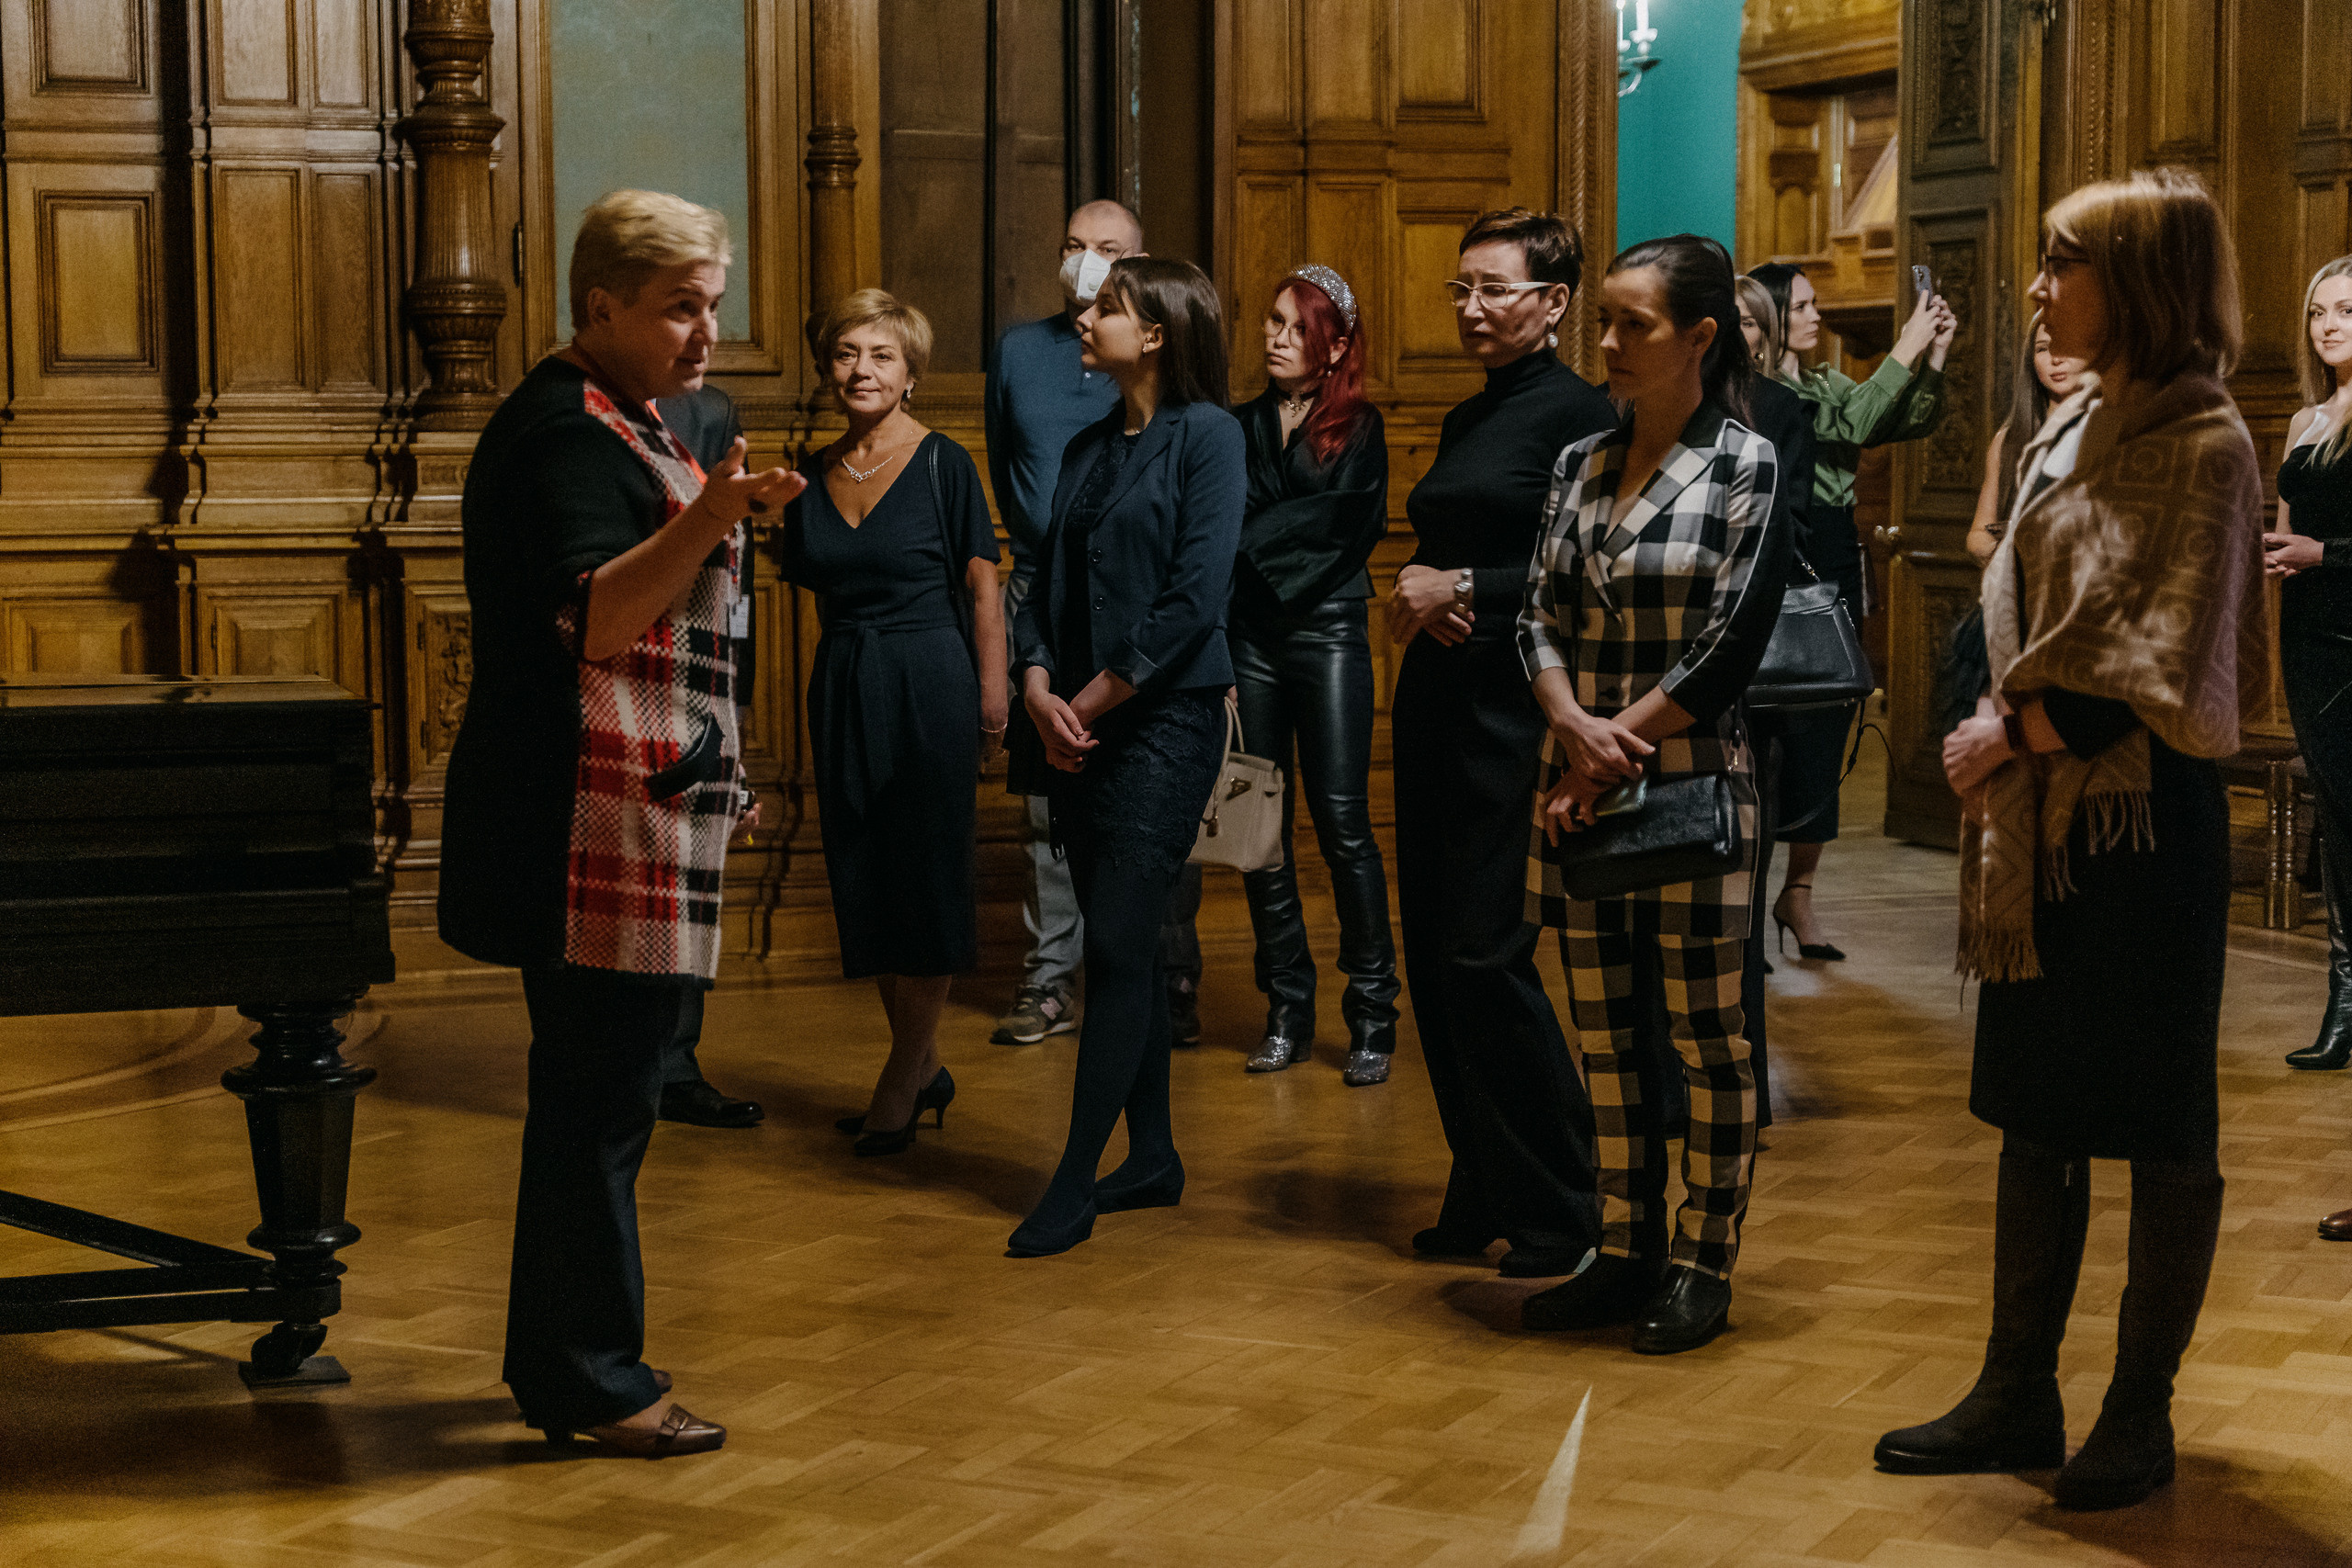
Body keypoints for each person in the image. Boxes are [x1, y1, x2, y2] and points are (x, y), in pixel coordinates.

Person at [1874, 168, 2265, 1511]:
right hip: (2043, 826)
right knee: (2033, 1113)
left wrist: (2013, 733)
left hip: (2141, 826)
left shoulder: (2205, 444)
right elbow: (2036, 603)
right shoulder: (2066, 428)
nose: (2038, 289)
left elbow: (2164, 657)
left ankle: (2137, 1407)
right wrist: (2011, 722)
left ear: (2140, 280)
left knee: (2161, 1124)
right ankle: (2014, 1385)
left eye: (2062, 261)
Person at [438, 189, 801, 1457]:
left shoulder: (624, 409)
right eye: (678, 309)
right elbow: (594, 621)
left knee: (601, 1103)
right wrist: (711, 513)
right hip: (573, 830)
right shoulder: (557, 429)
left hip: (627, 817)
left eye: (711, 304)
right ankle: (593, 1378)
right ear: (601, 305)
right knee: (598, 1108)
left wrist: (713, 778)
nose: (706, 333)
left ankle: (562, 1357)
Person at [1515, 235, 1787, 1352]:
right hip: (1580, 781)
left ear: (1700, 338)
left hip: (1683, 784)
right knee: (1605, 1037)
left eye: (1635, 325)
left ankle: (1699, 1262)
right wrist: (1568, 725)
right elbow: (1535, 611)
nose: (1610, 344)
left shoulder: (1744, 463)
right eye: (1607, 323)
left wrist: (1605, 745)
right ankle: (1622, 1252)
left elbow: (1731, 643)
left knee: (1706, 1037)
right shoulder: (1579, 460)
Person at [1392, 208, 1615, 1280]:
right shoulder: (1470, 415)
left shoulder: (1583, 417)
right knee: (1435, 958)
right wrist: (1422, 589)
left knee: (1485, 954)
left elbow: (1588, 570)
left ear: (1555, 303)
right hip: (1438, 698)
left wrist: (1461, 584)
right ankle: (1480, 1175)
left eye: (1494, 290)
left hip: (1516, 714)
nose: (1472, 309)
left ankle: (1562, 1202)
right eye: (1462, 290)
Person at [1006, 257, 1245, 1258]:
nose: (1086, 315)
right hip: (1076, 719)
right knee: (1131, 943)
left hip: (1163, 722)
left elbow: (1194, 599)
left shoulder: (1211, 436)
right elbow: (1042, 582)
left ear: (1154, 334)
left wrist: (1089, 700)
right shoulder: (1090, 445)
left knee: (1112, 944)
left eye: (1106, 305)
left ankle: (1072, 1178)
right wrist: (1033, 679)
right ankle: (1151, 1156)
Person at [779, 289, 1006, 1155]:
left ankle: (900, 1076)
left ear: (911, 372)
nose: (862, 370)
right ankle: (924, 1064)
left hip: (932, 676)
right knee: (865, 870)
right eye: (846, 353)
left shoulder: (946, 463)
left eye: (880, 355)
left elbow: (983, 588)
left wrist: (992, 699)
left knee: (927, 871)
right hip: (843, 680)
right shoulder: (808, 472)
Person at [1747, 261, 1955, 960]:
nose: (1816, 316)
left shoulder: (1819, 379)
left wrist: (1932, 359)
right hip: (1786, 549)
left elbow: (1904, 418)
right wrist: (1903, 346)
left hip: (1836, 552)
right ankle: (1747, 903)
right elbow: (1859, 419)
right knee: (1766, 730)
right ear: (1772, 317)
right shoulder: (1766, 390)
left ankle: (1798, 893)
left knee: (1828, 723)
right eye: (1802, 305)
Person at [1227, 265, 1400, 1086]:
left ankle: (1372, 1015)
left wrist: (1253, 536)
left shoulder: (1360, 429)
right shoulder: (1237, 424)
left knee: (1341, 825)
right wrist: (1261, 538)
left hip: (1329, 631)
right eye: (1271, 321)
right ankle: (1287, 1011)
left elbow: (1341, 528)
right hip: (1250, 639)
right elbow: (1219, 524)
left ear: (1333, 346)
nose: (1275, 337)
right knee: (1260, 827)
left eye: (1296, 327)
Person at [984, 200, 1141, 1047]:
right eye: (1074, 244)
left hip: (1130, 591)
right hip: (1041, 585)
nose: (1087, 260)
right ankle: (1049, 979)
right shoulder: (1020, 350)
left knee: (1149, 785)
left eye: (1108, 249)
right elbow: (1007, 460)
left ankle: (1163, 970)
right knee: (1047, 790)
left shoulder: (1152, 350)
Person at [2262, 256, 2352, 1078]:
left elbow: (2318, 544)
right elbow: (2286, 534)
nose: (2327, 323)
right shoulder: (2303, 422)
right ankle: (2344, 998)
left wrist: (2324, 553)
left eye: (2346, 310)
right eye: (2318, 311)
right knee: (2340, 819)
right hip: (2312, 641)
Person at [1930, 317, 2085, 747]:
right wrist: (2018, 549)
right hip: (2009, 613)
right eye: (2041, 348)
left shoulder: (2101, 433)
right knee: (1990, 743)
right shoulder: (2011, 439)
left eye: (2066, 345)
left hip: (2066, 620)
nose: (2055, 358)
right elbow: (1977, 536)